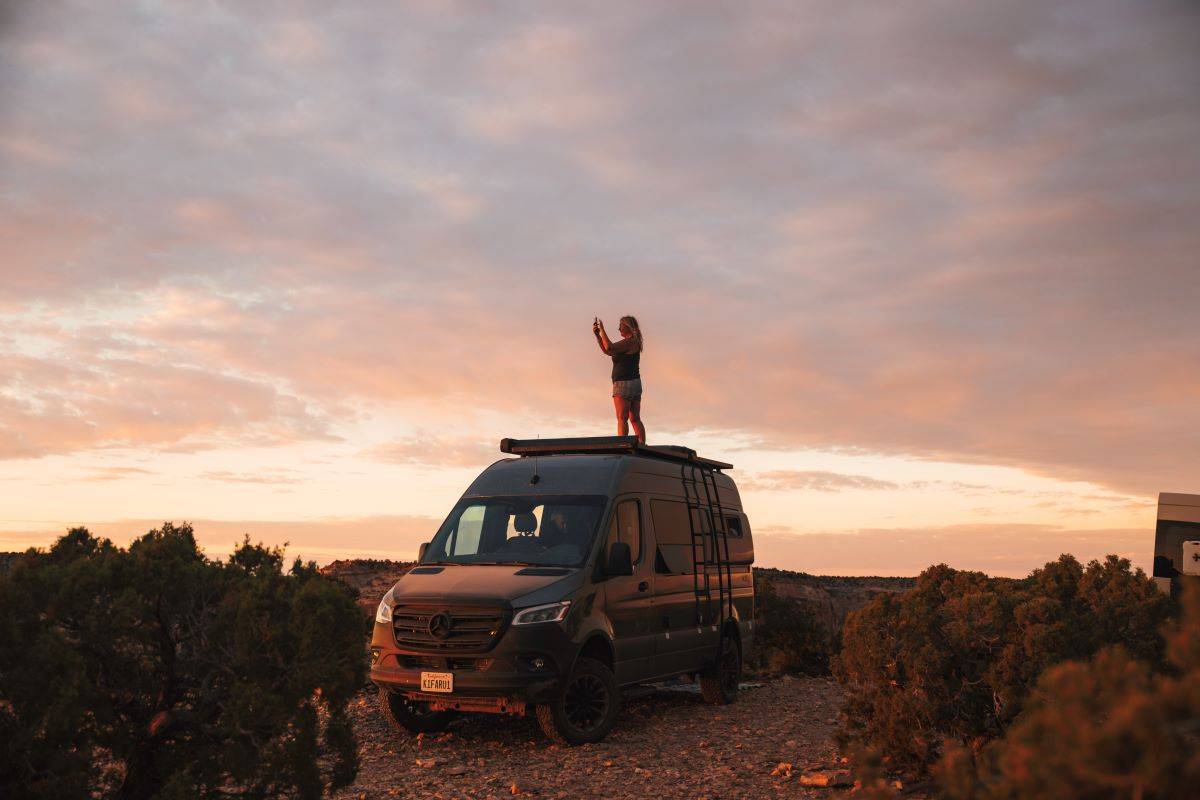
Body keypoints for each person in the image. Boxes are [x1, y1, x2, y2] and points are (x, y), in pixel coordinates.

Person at [592, 315, 645, 443]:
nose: (618, 328)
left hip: (623, 384)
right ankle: (643, 445)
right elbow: (608, 351)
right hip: (635, 383)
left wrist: (603, 330)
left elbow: (610, 348)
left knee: (622, 419)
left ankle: (622, 445)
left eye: (621, 326)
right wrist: (598, 336)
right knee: (635, 419)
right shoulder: (632, 342)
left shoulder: (630, 341)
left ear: (628, 326)